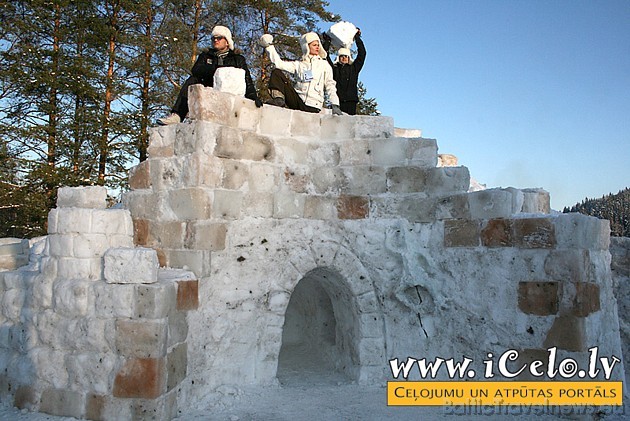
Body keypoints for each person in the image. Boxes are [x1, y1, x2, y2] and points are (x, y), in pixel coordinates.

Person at [158, 25, 262, 126]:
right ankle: (177, 115)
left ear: (227, 41)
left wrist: (253, 96)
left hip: (230, 96)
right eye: (213, 38)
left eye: (219, 38)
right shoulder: (205, 56)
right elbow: (196, 70)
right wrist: (213, 68)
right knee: (192, 80)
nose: (216, 40)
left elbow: (246, 79)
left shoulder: (237, 59)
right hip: (210, 88)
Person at [258, 32, 342, 115]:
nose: (317, 47)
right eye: (314, 45)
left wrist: (335, 104)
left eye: (318, 44)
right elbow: (279, 64)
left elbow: (330, 85)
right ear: (307, 46)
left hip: (313, 105)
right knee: (277, 72)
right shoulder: (299, 65)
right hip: (298, 101)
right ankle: (279, 99)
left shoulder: (324, 65)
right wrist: (269, 47)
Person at [322, 28, 366, 115]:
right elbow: (325, 56)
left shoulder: (354, 68)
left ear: (349, 58)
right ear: (339, 57)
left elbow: (362, 54)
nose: (344, 58)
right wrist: (327, 41)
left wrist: (357, 37)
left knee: (349, 126)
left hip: (351, 102)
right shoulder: (334, 69)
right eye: (342, 56)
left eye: (346, 56)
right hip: (338, 102)